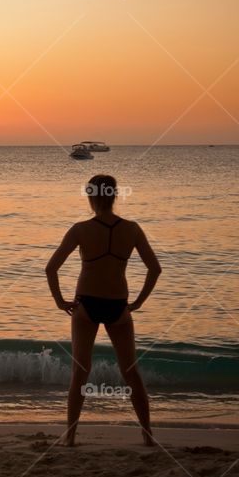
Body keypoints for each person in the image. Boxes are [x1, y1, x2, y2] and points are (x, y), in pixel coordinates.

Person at [45, 174, 161, 446]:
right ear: (114, 195)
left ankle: (70, 437)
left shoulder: (80, 229)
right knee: (131, 372)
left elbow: (51, 269)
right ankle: (147, 435)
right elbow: (155, 269)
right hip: (119, 306)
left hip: (86, 305)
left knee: (80, 373)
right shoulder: (132, 229)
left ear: (91, 196)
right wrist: (138, 302)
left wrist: (60, 301)